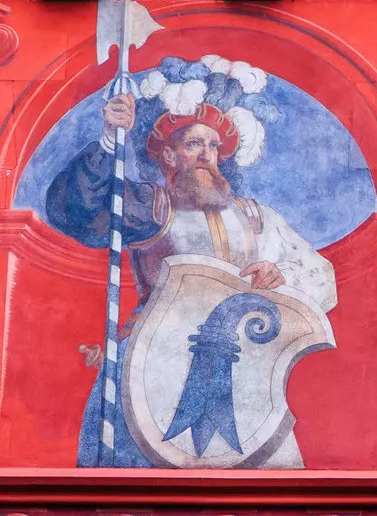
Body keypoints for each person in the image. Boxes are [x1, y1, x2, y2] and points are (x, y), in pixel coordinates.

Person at [44, 58, 337, 468]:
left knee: (270, 492)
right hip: (155, 358)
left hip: (245, 363)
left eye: (214, 146)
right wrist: (110, 138)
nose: (207, 155)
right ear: (168, 154)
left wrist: (281, 275)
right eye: (194, 144)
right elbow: (76, 210)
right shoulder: (150, 206)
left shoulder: (257, 216)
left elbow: (322, 276)